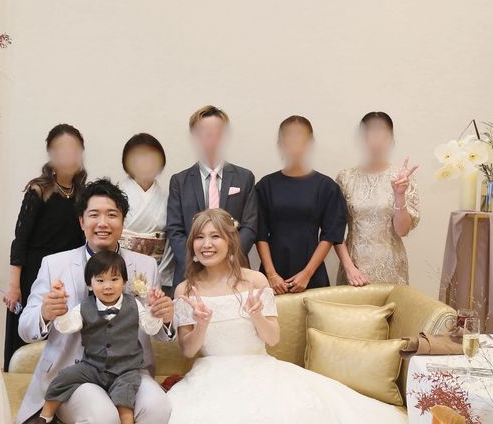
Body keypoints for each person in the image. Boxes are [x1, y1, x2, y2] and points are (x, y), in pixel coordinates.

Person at [86, 208, 440, 424]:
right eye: (199, 238)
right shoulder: (185, 289)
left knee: (288, 417)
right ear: (191, 246)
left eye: (215, 236)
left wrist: (256, 314)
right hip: (209, 375)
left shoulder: (254, 281)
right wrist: (203, 324)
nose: (206, 244)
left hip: (260, 368)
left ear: (230, 242)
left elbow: (272, 338)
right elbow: (189, 349)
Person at [14, 178, 174, 424]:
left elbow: (158, 327)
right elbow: (26, 327)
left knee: (159, 408)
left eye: (112, 214)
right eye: (94, 214)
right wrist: (46, 313)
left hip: (128, 368)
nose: (103, 222)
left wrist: (166, 318)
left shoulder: (144, 266)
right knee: (100, 416)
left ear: (123, 221)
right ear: (81, 221)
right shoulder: (55, 265)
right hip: (77, 371)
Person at [23, 250, 165, 424]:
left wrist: (155, 309)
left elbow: (150, 327)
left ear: (125, 282)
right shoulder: (84, 307)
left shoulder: (134, 305)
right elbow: (67, 326)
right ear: (89, 284)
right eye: (100, 281)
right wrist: (60, 311)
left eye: (114, 279)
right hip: (92, 366)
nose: (107, 286)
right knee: (63, 378)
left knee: (125, 406)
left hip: (126, 369)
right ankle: (45, 419)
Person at [3, 123, 87, 371]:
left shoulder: (83, 193)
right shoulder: (38, 190)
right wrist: (14, 286)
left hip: (68, 274)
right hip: (34, 274)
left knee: (65, 337)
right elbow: (20, 240)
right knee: (30, 337)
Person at [166, 105, 258, 288]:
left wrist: (228, 257)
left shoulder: (244, 177)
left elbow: (250, 226)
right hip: (190, 273)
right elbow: (175, 230)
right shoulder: (179, 181)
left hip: (235, 270)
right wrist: (197, 260)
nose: (211, 137)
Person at [256, 116, 346, 295]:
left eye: (300, 137)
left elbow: (330, 235)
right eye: (289, 137)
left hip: (313, 272)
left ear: (310, 143)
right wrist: (271, 274)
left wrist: (307, 273)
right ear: (280, 143)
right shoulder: (265, 185)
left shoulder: (326, 186)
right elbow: (260, 234)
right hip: (273, 275)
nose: (294, 143)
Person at [335, 112, 420, 286]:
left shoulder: (402, 178)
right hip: (354, 271)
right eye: (371, 133)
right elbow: (334, 229)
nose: (376, 140)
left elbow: (402, 231)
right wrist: (349, 267)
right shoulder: (345, 177)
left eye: (382, 133)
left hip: (392, 269)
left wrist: (399, 195)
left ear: (391, 139)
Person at [119, 133, 174, 294]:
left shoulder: (168, 199)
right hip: (119, 269)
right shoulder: (115, 196)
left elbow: (171, 241)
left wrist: (158, 274)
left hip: (157, 267)